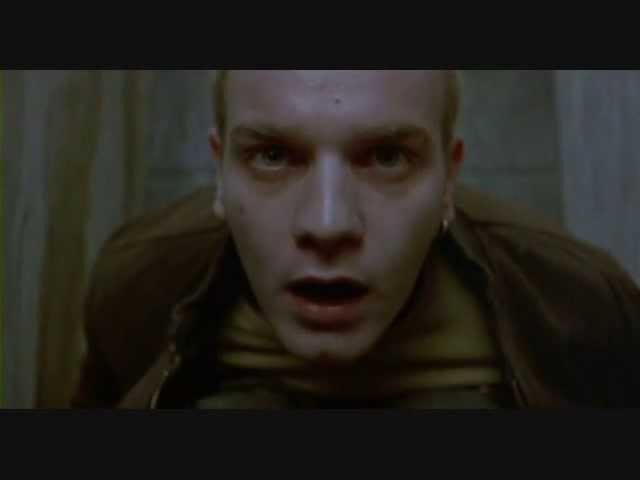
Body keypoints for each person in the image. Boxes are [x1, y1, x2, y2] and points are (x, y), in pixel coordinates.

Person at [71, 70, 640, 409]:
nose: (328, 224)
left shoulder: (581, 304)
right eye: (273, 156)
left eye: (388, 157)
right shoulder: (137, 285)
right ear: (220, 173)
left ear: (449, 181)